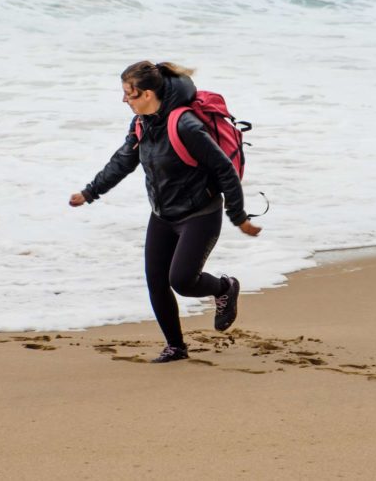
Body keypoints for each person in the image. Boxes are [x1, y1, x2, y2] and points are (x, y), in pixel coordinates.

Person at [69, 61, 262, 363]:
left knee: (182, 281)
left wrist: (238, 216)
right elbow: (123, 162)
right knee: (156, 280)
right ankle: (175, 347)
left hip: (200, 213)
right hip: (162, 214)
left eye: (128, 94)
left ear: (147, 94)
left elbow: (225, 170)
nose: (124, 100)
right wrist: (91, 192)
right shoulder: (141, 124)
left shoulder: (185, 125)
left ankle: (225, 287)